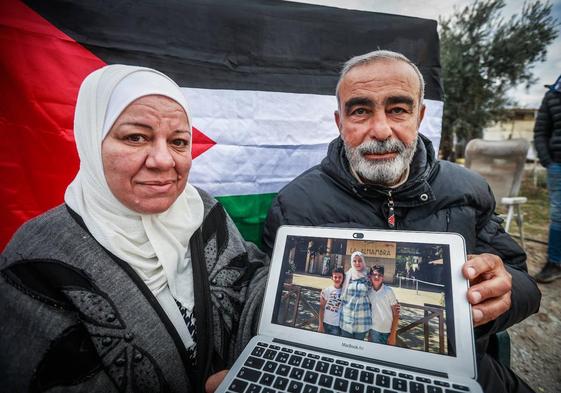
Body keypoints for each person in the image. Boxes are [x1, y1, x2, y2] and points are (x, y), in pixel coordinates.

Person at [263, 50, 541, 393]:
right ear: (339, 122)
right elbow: (268, 305)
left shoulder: (469, 189)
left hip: (461, 373)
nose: (380, 130)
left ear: (419, 116)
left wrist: (499, 297)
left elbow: (521, 280)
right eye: (361, 111)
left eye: (397, 109)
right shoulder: (295, 205)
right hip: (336, 374)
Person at [0, 65, 268, 393]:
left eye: (179, 141)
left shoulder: (203, 212)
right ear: (91, 140)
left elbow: (250, 279)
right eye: (136, 137)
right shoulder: (38, 256)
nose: (163, 160)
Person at [533, 74, 561, 283]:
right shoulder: (553, 95)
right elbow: (541, 132)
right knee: (559, 215)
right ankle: (555, 262)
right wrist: (548, 161)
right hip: (558, 164)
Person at [339, 251, 372, 340]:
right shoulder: (346, 276)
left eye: (360, 260)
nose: (357, 263)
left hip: (362, 321)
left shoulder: (368, 277)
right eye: (354, 261)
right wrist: (326, 291)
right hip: (346, 319)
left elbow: (374, 294)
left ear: (363, 262)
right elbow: (337, 287)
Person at [367, 265, 400, 345]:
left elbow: (396, 314)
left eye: (380, 275)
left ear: (383, 277)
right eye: (374, 274)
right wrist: (369, 333)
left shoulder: (389, 291)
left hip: (387, 331)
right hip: (373, 330)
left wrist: (393, 334)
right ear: (370, 276)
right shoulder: (369, 292)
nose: (377, 277)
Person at [318, 267, 345, 336]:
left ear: (343, 278)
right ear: (332, 278)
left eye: (340, 277)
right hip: (325, 323)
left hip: (337, 325)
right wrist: (320, 325)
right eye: (335, 277)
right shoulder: (326, 291)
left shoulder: (345, 292)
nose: (337, 279)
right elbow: (322, 308)